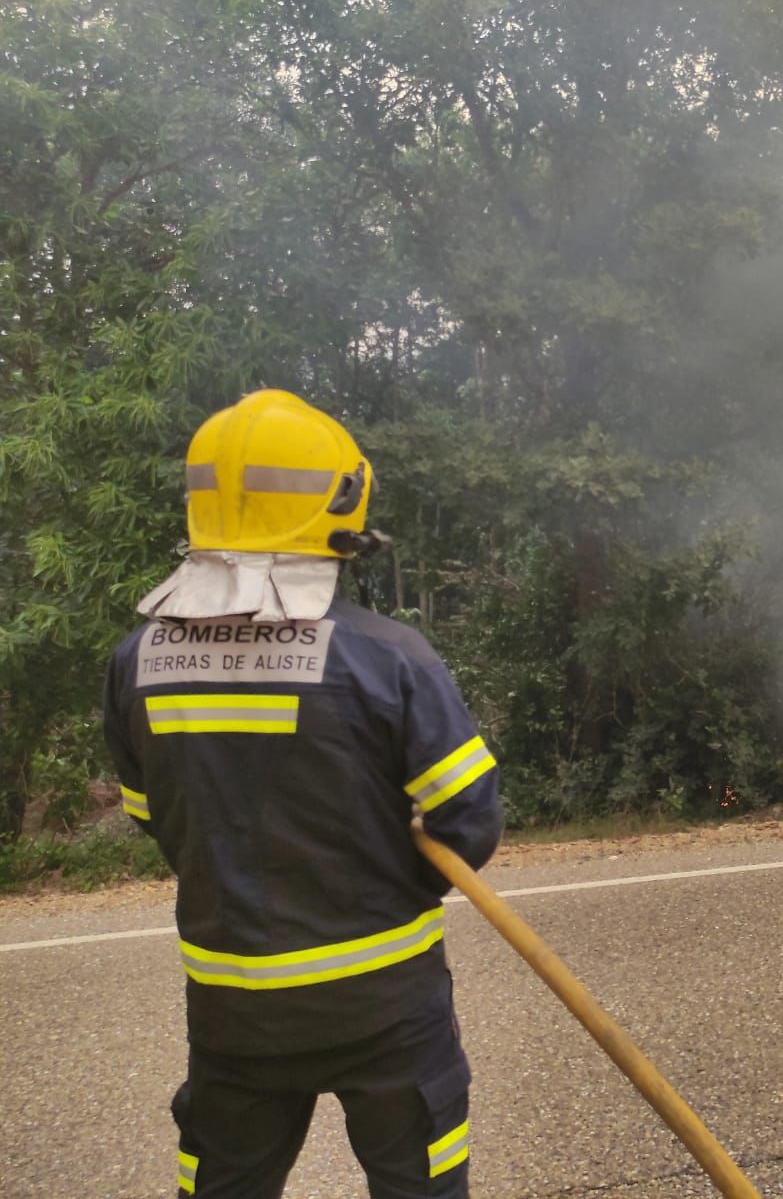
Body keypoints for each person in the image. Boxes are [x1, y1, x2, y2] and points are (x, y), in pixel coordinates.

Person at [102, 389, 503, 1198]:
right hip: (384, 1006)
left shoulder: (136, 662)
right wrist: (394, 874)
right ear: (343, 504)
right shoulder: (390, 659)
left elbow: (153, 817)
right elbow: (466, 821)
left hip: (233, 1010)